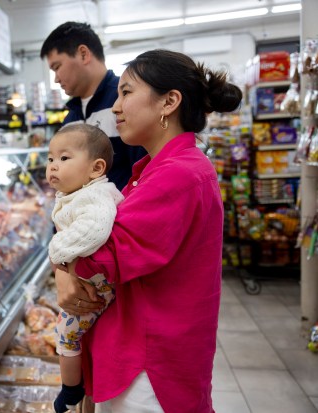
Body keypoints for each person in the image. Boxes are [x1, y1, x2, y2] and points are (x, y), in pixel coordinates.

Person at [53, 49, 242, 413]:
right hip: (146, 345)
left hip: (151, 364)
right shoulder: (161, 167)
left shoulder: (178, 175)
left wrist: (63, 266)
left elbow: (104, 257)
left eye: (126, 93)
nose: (116, 107)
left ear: (169, 102)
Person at [45, 124, 124, 413]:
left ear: (96, 168)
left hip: (100, 287)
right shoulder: (79, 192)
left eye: (64, 159)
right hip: (94, 279)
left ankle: (71, 388)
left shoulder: (93, 197)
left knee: (65, 332)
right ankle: (76, 385)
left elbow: (94, 231)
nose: (53, 166)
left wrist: (56, 252)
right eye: (51, 158)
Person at [40, 21, 147, 191]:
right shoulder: (70, 119)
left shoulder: (126, 101)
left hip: (123, 214)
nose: (56, 79)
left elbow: (145, 173)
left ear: (83, 54)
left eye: (57, 67)